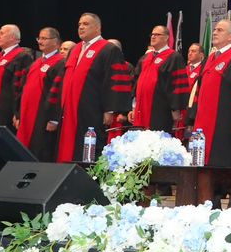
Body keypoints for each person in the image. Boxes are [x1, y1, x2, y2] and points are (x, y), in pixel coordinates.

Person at [55, 13, 132, 163]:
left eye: (86, 24)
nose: (81, 27)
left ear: (97, 28)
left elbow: (114, 80)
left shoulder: (108, 49)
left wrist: (109, 110)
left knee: (89, 148)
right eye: (79, 24)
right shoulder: (75, 49)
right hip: (70, 110)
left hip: (93, 108)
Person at [189, 19, 231, 167]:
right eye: (214, 29)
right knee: (202, 162)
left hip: (225, 121)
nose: (214, 32)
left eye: (220, 30)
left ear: (230, 36)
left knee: (222, 162)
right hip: (203, 122)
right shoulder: (209, 59)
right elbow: (199, 90)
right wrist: (193, 116)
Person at [16, 28, 66, 160]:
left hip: (43, 116)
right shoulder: (35, 63)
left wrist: (54, 119)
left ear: (55, 41)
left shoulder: (60, 63)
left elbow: (58, 92)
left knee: (41, 151)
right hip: (27, 115)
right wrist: (18, 114)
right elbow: (23, 89)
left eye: (44, 38)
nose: (40, 41)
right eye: (39, 38)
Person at [129, 23, 181, 132]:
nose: (153, 37)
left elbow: (177, 83)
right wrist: (134, 106)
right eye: (152, 34)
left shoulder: (173, 57)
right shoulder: (146, 58)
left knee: (157, 139)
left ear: (166, 38)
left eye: (157, 34)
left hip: (160, 108)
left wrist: (175, 108)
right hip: (141, 108)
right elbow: (137, 83)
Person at [174, 42, 205, 137]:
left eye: (193, 51)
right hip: (181, 110)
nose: (190, 53)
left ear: (201, 55)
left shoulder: (203, 70)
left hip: (194, 111)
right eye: (189, 51)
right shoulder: (184, 69)